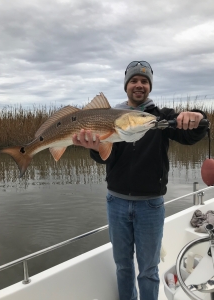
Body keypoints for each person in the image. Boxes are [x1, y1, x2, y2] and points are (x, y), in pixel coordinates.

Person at [72, 61, 208, 300]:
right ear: (126, 85)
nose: (139, 85)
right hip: (116, 203)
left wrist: (197, 117)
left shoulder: (160, 118)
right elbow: (105, 158)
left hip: (150, 205)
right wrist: (95, 149)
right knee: (123, 267)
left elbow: (189, 135)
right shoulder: (109, 117)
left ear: (150, 87)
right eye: (134, 80)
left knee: (148, 270)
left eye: (144, 81)